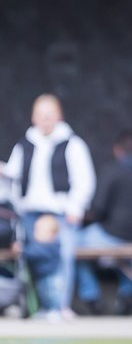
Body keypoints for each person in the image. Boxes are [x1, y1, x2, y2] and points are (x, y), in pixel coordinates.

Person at [2, 94, 95, 319]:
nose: (45, 119)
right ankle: (41, 307)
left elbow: (85, 179)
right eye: (40, 115)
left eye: (49, 115)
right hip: (30, 213)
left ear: (59, 116)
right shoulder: (25, 144)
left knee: (62, 258)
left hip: (60, 213)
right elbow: (13, 176)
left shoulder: (72, 143)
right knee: (34, 260)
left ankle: (60, 306)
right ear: (34, 117)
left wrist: (76, 207)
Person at [76, 129, 132, 315]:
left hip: (113, 234)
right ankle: (127, 294)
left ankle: (91, 296)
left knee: (72, 244)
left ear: (118, 150)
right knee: (124, 258)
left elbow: (99, 208)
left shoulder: (112, 170)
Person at [23, 214, 64, 320]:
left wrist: (22, 250)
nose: (35, 232)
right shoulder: (41, 245)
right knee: (43, 295)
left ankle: (55, 310)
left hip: (50, 276)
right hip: (42, 276)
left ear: (51, 234)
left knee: (52, 294)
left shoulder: (52, 245)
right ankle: (47, 309)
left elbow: (34, 253)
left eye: (39, 230)